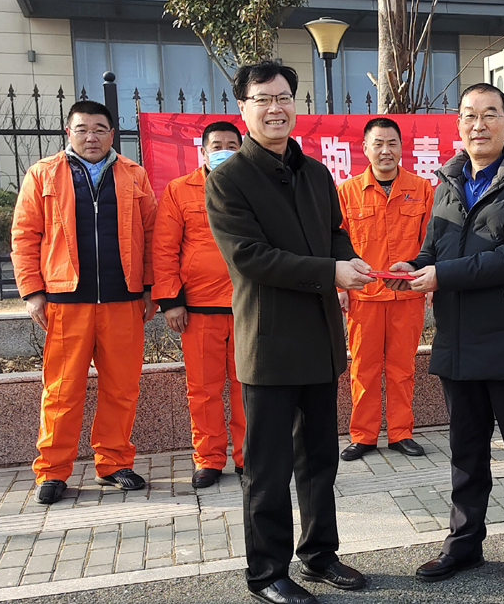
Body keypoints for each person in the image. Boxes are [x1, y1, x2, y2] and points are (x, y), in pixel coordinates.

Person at [205, 61, 369, 604]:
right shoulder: (228, 179)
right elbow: (250, 258)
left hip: (320, 340)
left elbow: (334, 234)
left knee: (319, 461)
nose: (275, 109)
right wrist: (330, 271)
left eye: (283, 98)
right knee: (268, 469)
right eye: (263, 99)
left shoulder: (316, 173)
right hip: (270, 344)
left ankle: (319, 554)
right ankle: (266, 574)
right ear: (243, 108)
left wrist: (350, 261)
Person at [386, 83, 504, 591]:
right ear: (458, 124)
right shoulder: (448, 181)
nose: (477, 125)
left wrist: (442, 275)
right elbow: (435, 249)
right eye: (468, 116)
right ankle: (463, 543)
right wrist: (412, 267)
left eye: (488, 115)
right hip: (458, 341)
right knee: (465, 454)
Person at [11, 100, 158, 505]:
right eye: (82, 129)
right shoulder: (43, 174)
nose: (91, 137)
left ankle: (113, 463)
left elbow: (152, 235)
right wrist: (32, 292)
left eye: (99, 129)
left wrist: (151, 288)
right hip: (66, 300)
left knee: (121, 388)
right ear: (68, 132)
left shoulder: (134, 174)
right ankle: (52, 471)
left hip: (123, 298)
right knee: (61, 391)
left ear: (112, 134)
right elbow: (24, 236)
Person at [152, 121, 245, 489]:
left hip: (248, 305)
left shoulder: (255, 186)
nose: (224, 151)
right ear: (202, 151)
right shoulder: (180, 190)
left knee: (248, 387)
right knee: (203, 390)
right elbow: (164, 248)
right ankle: (208, 459)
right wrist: (171, 301)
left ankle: (249, 456)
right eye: (217, 145)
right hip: (200, 307)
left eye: (232, 145)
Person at [336, 117, 434, 462]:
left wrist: (430, 280)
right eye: (377, 144)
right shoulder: (347, 192)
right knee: (363, 369)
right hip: (364, 296)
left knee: (402, 368)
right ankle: (363, 436)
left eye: (392, 143)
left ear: (401, 147)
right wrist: (339, 286)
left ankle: (400, 433)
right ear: (365, 148)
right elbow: (338, 241)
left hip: (407, 294)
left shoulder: (421, 188)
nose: (385, 151)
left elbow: (431, 240)